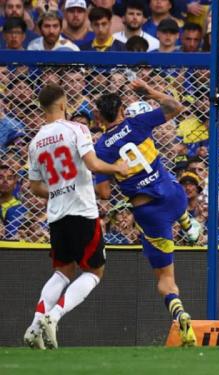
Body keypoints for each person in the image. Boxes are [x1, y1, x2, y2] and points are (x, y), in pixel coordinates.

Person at [92, 79, 202, 347]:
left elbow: (105, 194)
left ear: (98, 116)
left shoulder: (101, 149)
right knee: (175, 188)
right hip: (174, 195)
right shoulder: (137, 123)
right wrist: (149, 92)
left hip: (149, 212)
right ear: (121, 110)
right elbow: (175, 107)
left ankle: (180, 313)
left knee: (166, 280)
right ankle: (189, 225)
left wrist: (112, 170)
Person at [24, 84, 127, 349]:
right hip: (81, 210)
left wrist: (58, 190)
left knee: (62, 271)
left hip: (56, 214)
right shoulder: (76, 129)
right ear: (62, 104)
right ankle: (54, 316)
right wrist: (117, 167)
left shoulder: (35, 143)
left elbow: (35, 187)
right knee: (95, 271)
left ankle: (35, 325)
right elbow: (93, 164)